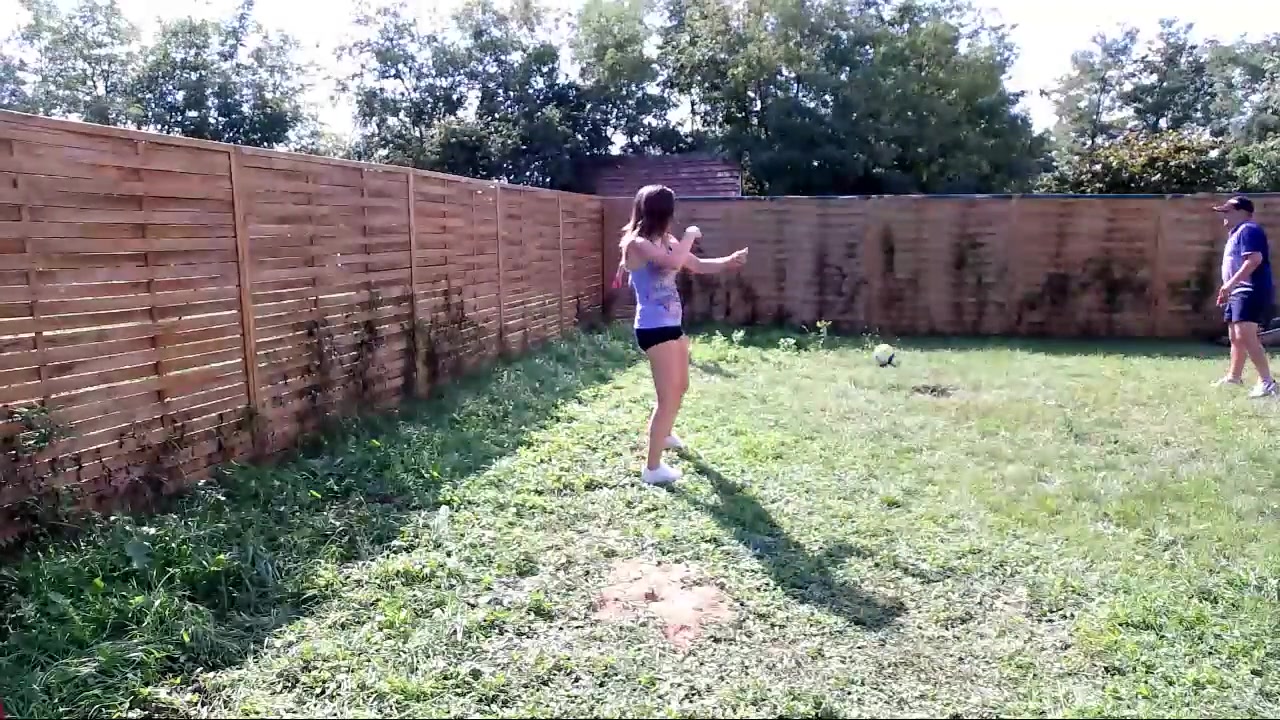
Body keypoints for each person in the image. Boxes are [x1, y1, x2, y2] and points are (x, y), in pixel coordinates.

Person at [615, 184, 749, 485]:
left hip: (672, 324)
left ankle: (664, 434)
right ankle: (652, 469)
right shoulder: (637, 243)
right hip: (653, 327)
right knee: (667, 397)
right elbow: (673, 263)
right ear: (663, 211)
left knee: (681, 387)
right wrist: (690, 234)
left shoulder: (666, 240)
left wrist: (729, 261)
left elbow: (696, 265)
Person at [1213, 195, 1276, 397]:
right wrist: (1228, 288)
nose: (1223, 215)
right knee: (1235, 336)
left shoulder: (1249, 229)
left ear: (1243, 212)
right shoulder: (1236, 233)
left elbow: (1254, 260)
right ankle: (1234, 377)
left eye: (1227, 211)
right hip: (1237, 291)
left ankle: (1267, 382)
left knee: (1246, 335)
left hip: (1249, 289)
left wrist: (1230, 284)